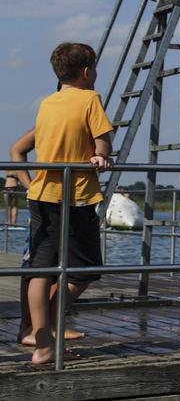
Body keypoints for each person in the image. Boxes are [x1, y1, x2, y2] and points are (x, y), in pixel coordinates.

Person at [12, 43, 113, 364]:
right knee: (85, 269)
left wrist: (29, 185)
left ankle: (40, 342)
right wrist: (100, 156)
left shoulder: (47, 102)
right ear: (87, 72)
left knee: (41, 270)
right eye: (94, 69)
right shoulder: (90, 98)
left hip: (41, 196)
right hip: (75, 197)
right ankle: (54, 321)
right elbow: (103, 143)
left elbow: (31, 147)